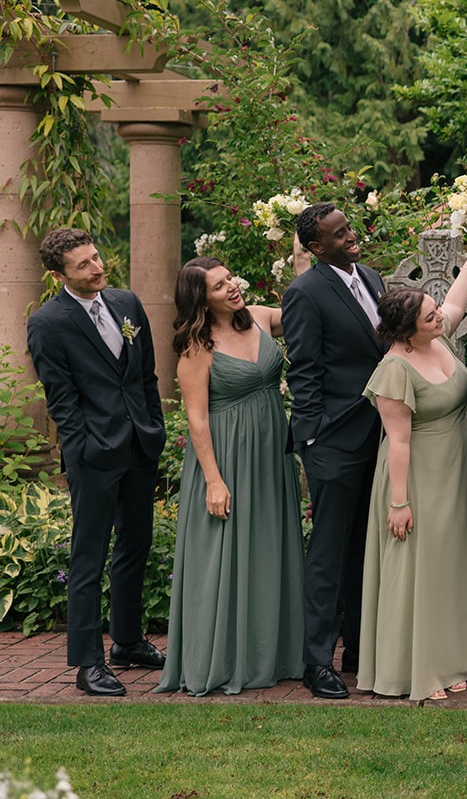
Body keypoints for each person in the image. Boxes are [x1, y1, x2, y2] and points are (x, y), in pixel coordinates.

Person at [26, 227, 167, 697]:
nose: (96, 268)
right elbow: (61, 399)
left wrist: (153, 426)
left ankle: (127, 641)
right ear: (58, 275)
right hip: (94, 456)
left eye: (96, 257)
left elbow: (144, 375)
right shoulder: (48, 323)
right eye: (83, 264)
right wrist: (83, 451)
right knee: (88, 557)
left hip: (140, 445)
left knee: (135, 543)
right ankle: (88, 664)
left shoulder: (127, 303)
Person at [157, 256, 306, 696]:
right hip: (226, 456)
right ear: (202, 300)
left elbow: (304, 309)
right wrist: (214, 480)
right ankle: (222, 658)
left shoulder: (260, 317)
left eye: (230, 279)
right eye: (220, 286)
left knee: (269, 546)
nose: (232, 287)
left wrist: (302, 264)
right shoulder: (196, 346)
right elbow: (197, 419)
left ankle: (276, 655)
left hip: (270, 453)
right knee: (223, 554)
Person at [356, 235, 467, 702]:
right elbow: (397, 440)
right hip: (416, 475)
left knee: (453, 562)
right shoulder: (395, 369)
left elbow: (456, 300)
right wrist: (399, 503)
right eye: (430, 315)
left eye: (436, 312)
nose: (440, 316)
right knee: (423, 568)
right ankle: (421, 668)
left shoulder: (439, 337)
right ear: (406, 330)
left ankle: (456, 657)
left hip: (455, 469)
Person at [282, 202, 388, 699]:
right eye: (339, 233)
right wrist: (314, 438)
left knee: (365, 548)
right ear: (316, 247)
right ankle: (317, 661)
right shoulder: (304, 292)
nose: (350, 235)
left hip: (379, 434)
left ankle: (359, 651)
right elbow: (304, 370)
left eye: (349, 227)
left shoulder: (371, 277)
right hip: (333, 442)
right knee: (328, 554)